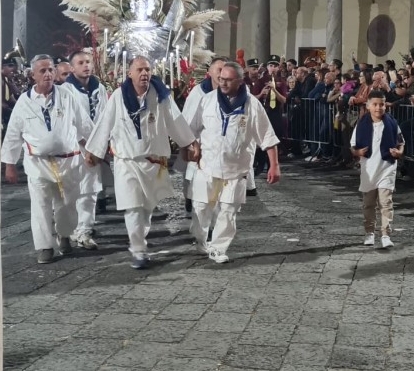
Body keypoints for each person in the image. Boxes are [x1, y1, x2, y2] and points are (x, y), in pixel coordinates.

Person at [84, 56, 199, 269]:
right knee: (133, 207)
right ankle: (138, 250)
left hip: (153, 163)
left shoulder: (161, 96)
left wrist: (189, 143)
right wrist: (94, 150)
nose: (144, 73)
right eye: (140, 70)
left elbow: (175, 121)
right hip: (126, 162)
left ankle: (140, 240)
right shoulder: (118, 96)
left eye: (147, 69)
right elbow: (105, 123)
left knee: (146, 208)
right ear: (130, 73)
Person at [1, 55, 94, 264]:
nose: (48, 74)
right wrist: (9, 165)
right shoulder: (24, 102)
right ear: (33, 75)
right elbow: (13, 134)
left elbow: (83, 123)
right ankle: (44, 246)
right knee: (40, 204)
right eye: (42, 71)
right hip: (38, 163)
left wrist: (93, 148)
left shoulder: (67, 95)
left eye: (51, 69)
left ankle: (64, 235)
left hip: (68, 161)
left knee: (67, 203)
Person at [188, 62, 281, 263]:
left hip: (236, 170)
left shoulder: (252, 105)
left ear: (240, 81)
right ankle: (200, 240)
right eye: (221, 79)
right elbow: (192, 129)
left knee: (228, 210)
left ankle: (218, 248)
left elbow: (267, 136)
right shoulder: (207, 100)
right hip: (207, 166)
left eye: (228, 80)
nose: (223, 83)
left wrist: (274, 165)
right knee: (201, 208)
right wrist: (192, 147)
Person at [62, 50, 108, 250]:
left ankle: (85, 230)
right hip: (75, 147)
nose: (86, 65)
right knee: (72, 192)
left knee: (90, 190)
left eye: (88, 61)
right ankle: (71, 227)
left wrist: (100, 146)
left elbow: (106, 117)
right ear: (72, 68)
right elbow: (68, 122)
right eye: (80, 63)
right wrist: (85, 146)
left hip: (95, 147)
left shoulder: (100, 88)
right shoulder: (65, 91)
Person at [351, 91, 404, 248]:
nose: (378, 108)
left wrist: (399, 152)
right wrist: (357, 153)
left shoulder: (392, 123)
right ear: (368, 106)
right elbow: (353, 146)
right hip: (369, 168)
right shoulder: (361, 124)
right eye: (375, 104)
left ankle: (386, 234)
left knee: (386, 202)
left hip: (387, 166)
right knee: (368, 203)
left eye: (381, 104)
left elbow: (401, 142)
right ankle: (369, 232)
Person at [180, 57, 226, 215]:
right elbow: (188, 120)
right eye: (219, 69)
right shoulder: (198, 93)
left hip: (221, 146)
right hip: (199, 143)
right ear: (210, 72)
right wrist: (189, 143)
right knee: (194, 178)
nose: (222, 74)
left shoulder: (234, 91)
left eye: (225, 70)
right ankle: (191, 200)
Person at [254, 55, 288, 172]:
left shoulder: (281, 82)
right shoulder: (260, 81)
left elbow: (284, 100)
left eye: (275, 66)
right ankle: (260, 163)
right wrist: (261, 94)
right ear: (267, 67)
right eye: (271, 66)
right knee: (261, 137)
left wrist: (274, 90)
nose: (273, 68)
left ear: (278, 68)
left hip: (275, 112)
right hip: (263, 111)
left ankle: (272, 165)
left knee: (276, 138)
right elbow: (253, 98)